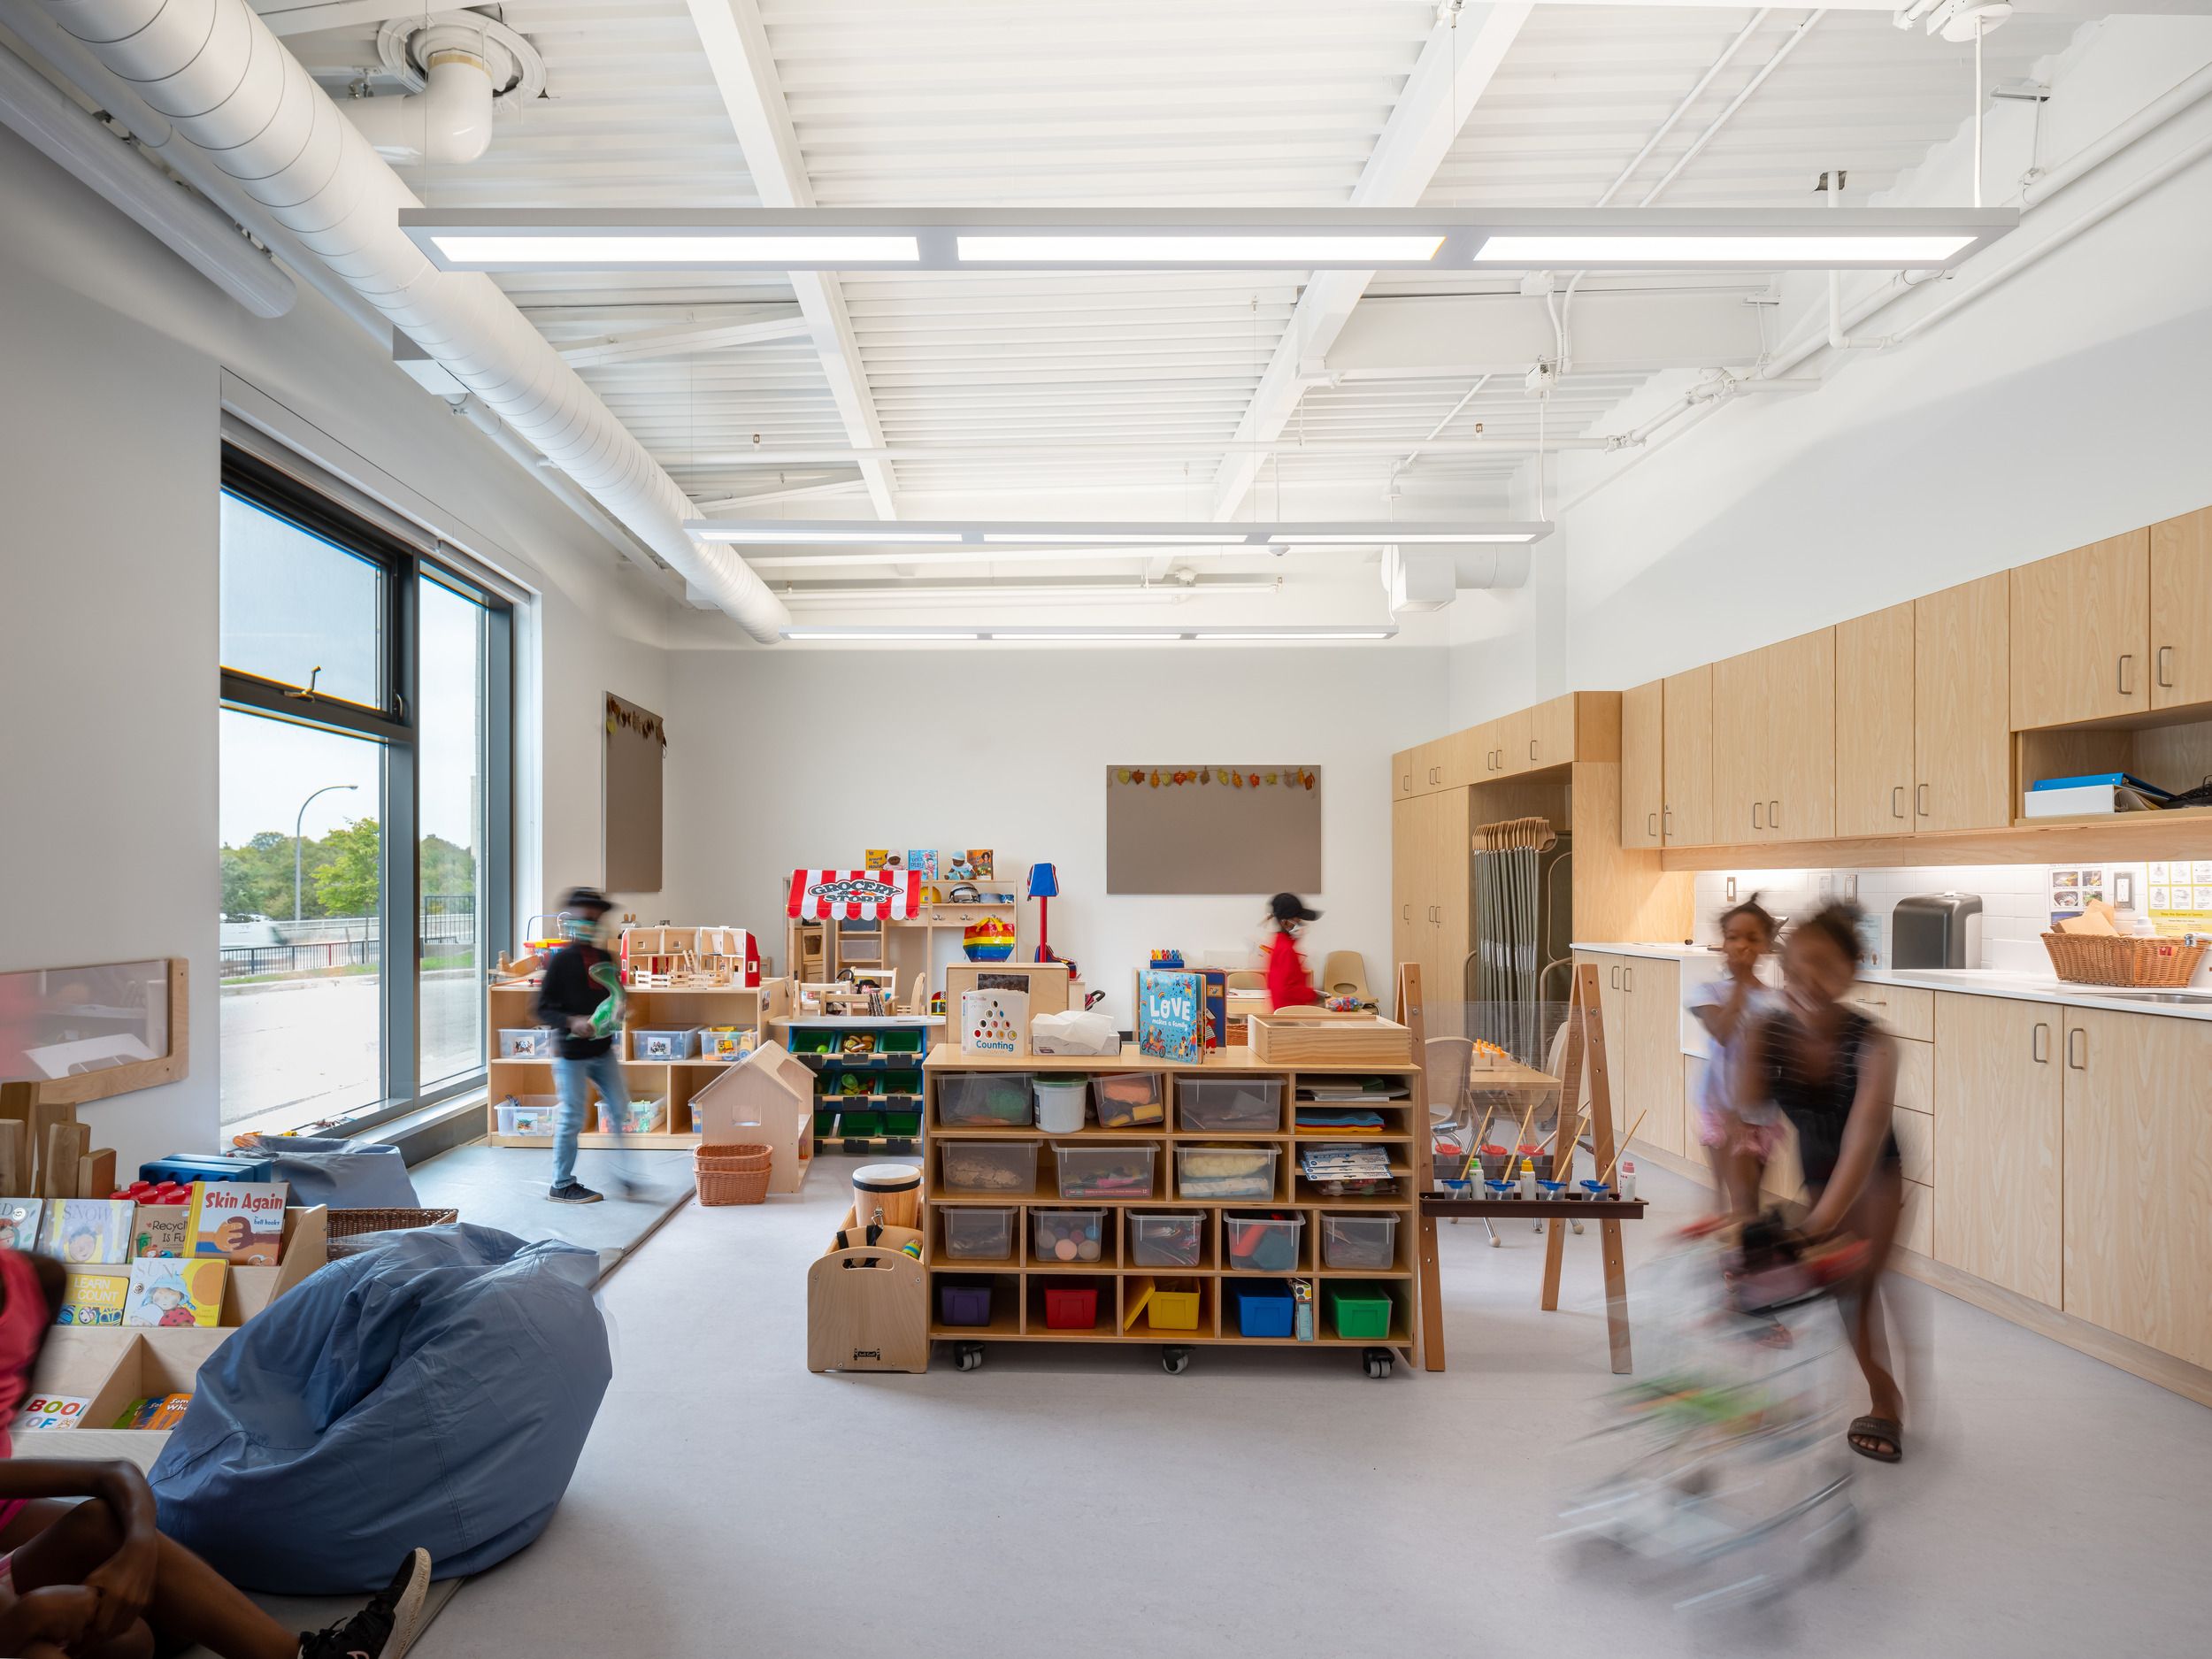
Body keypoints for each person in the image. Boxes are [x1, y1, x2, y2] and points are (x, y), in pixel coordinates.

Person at [0, 1247, 432, 1659]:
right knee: (128, 1634)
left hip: (9, 1507)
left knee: (164, 1616)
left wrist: (138, 1553)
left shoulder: (34, 1277)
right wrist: (28, 1616)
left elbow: (113, 1474)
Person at [1735, 899, 1907, 1464]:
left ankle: (1886, 1399)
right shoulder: (1769, 1032)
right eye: (1796, 965)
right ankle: (1770, 1395)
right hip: (1815, 1167)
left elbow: (1863, 1141)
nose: (1808, 979)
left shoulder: (1875, 1045)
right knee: (1794, 1282)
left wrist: (1815, 1228)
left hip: (1873, 1174)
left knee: (1856, 1293)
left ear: (1850, 973)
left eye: (1825, 966)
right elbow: (1748, 1125)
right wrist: (1744, 1223)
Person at [535, 887, 636, 1204]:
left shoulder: (605, 958)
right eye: (586, 917)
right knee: (572, 1117)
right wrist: (571, 1021)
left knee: (620, 1107)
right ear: (574, 919)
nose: (591, 924)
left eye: (596, 918)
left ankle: (625, 1173)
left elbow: (617, 993)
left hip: (602, 1050)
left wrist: (620, 1007)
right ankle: (561, 1184)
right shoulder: (562, 961)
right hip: (572, 1055)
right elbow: (541, 1008)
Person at [1686, 895, 1781, 1217]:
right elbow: (1723, 1032)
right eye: (1733, 937)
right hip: (1720, 1106)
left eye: (1752, 939)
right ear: (1723, 944)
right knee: (1731, 1198)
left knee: (1748, 1201)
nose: (1742, 945)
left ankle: (1736, 1239)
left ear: (1766, 946)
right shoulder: (1708, 992)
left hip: (1761, 1112)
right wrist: (1741, 985)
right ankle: (1727, 1236)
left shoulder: (1777, 1001)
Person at [1263, 894, 1320, 1011]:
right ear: (1285, 923)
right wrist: (1314, 996)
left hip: (1286, 1010)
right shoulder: (1286, 950)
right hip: (1289, 1013)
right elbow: (1287, 989)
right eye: (1297, 919)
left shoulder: (1280, 945)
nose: (1301, 923)